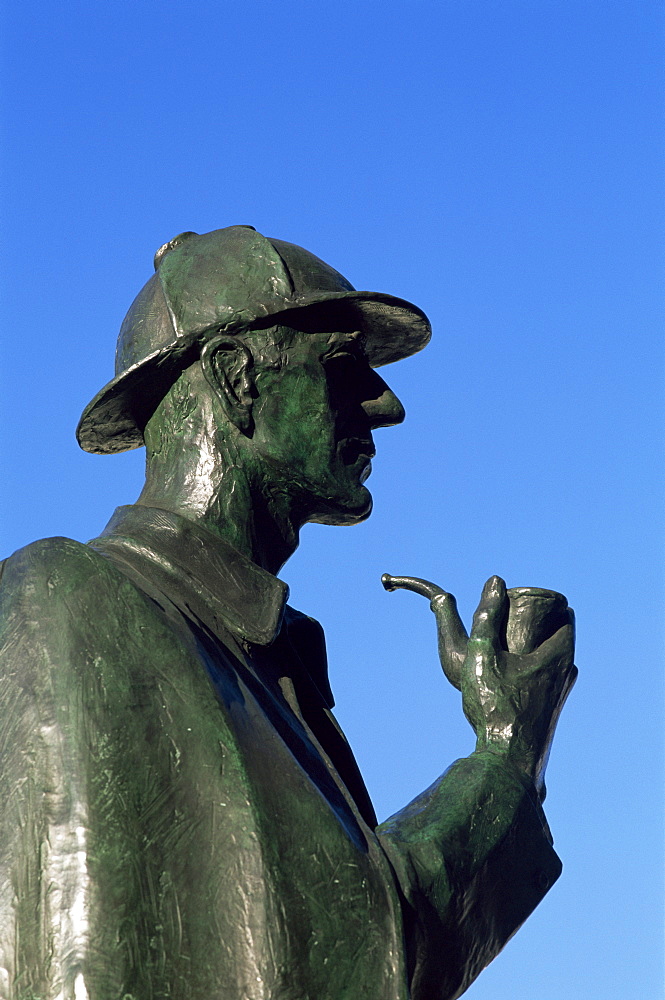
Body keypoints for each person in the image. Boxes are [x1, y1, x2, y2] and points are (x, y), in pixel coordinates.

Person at [0, 226, 576, 1000]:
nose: (385, 403)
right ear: (236, 378)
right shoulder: (73, 599)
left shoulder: (265, 663)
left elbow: (366, 950)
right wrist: (504, 761)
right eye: (343, 367)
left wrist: (508, 753)